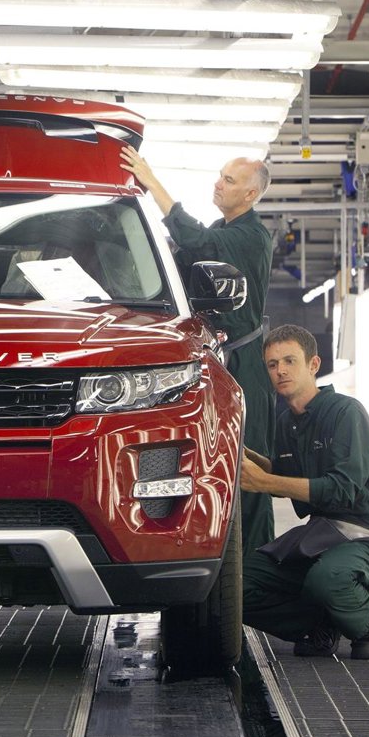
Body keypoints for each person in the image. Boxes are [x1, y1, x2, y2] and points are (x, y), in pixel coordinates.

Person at [120, 146, 277, 554]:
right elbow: (189, 250)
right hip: (218, 357)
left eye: (229, 180)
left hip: (244, 364)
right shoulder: (225, 228)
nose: (218, 184)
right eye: (220, 175)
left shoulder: (250, 237)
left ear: (250, 195)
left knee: (248, 471)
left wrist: (152, 182)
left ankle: (257, 568)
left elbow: (197, 241)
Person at [239, 325, 369, 660]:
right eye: (272, 364)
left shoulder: (346, 412)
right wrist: (248, 458)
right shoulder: (286, 422)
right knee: (236, 585)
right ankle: (318, 623)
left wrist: (264, 482)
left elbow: (342, 490)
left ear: (313, 364)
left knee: (328, 580)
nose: (280, 371)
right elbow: (291, 478)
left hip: (367, 539)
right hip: (321, 536)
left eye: (289, 361)